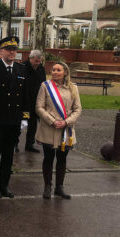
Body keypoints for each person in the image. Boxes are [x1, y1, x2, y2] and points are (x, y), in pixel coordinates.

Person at [0, 36, 30, 198]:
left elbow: (25, 96)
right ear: (1, 51)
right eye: (9, 49)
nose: (12, 52)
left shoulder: (21, 69)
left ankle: (5, 185)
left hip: (14, 120)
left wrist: (25, 117)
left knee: (9, 155)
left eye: (14, 50)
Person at [36, 62, 82, 200]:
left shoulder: (73, 88)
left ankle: (59, 187)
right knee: (48, 158)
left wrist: (67, 122)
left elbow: (78, 108)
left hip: (66, 130)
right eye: (53, 70)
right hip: (49, 128)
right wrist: (53, 121)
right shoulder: (45, 86)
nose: (55, 72)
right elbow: (39, 107)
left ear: (65, 73)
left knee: (62, 159)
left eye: (58, 70)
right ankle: (47, 187)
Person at [23, 50, 47, 153]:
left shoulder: (41, 69)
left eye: (40, 61)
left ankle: (29, 144)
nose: (38, 63)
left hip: (37, 100)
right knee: (21, 124)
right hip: (24, 100)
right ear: (30, 59)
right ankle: (14, 143)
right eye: (36, 61)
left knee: (33, 124)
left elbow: (44, 83)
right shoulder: (23, 67)